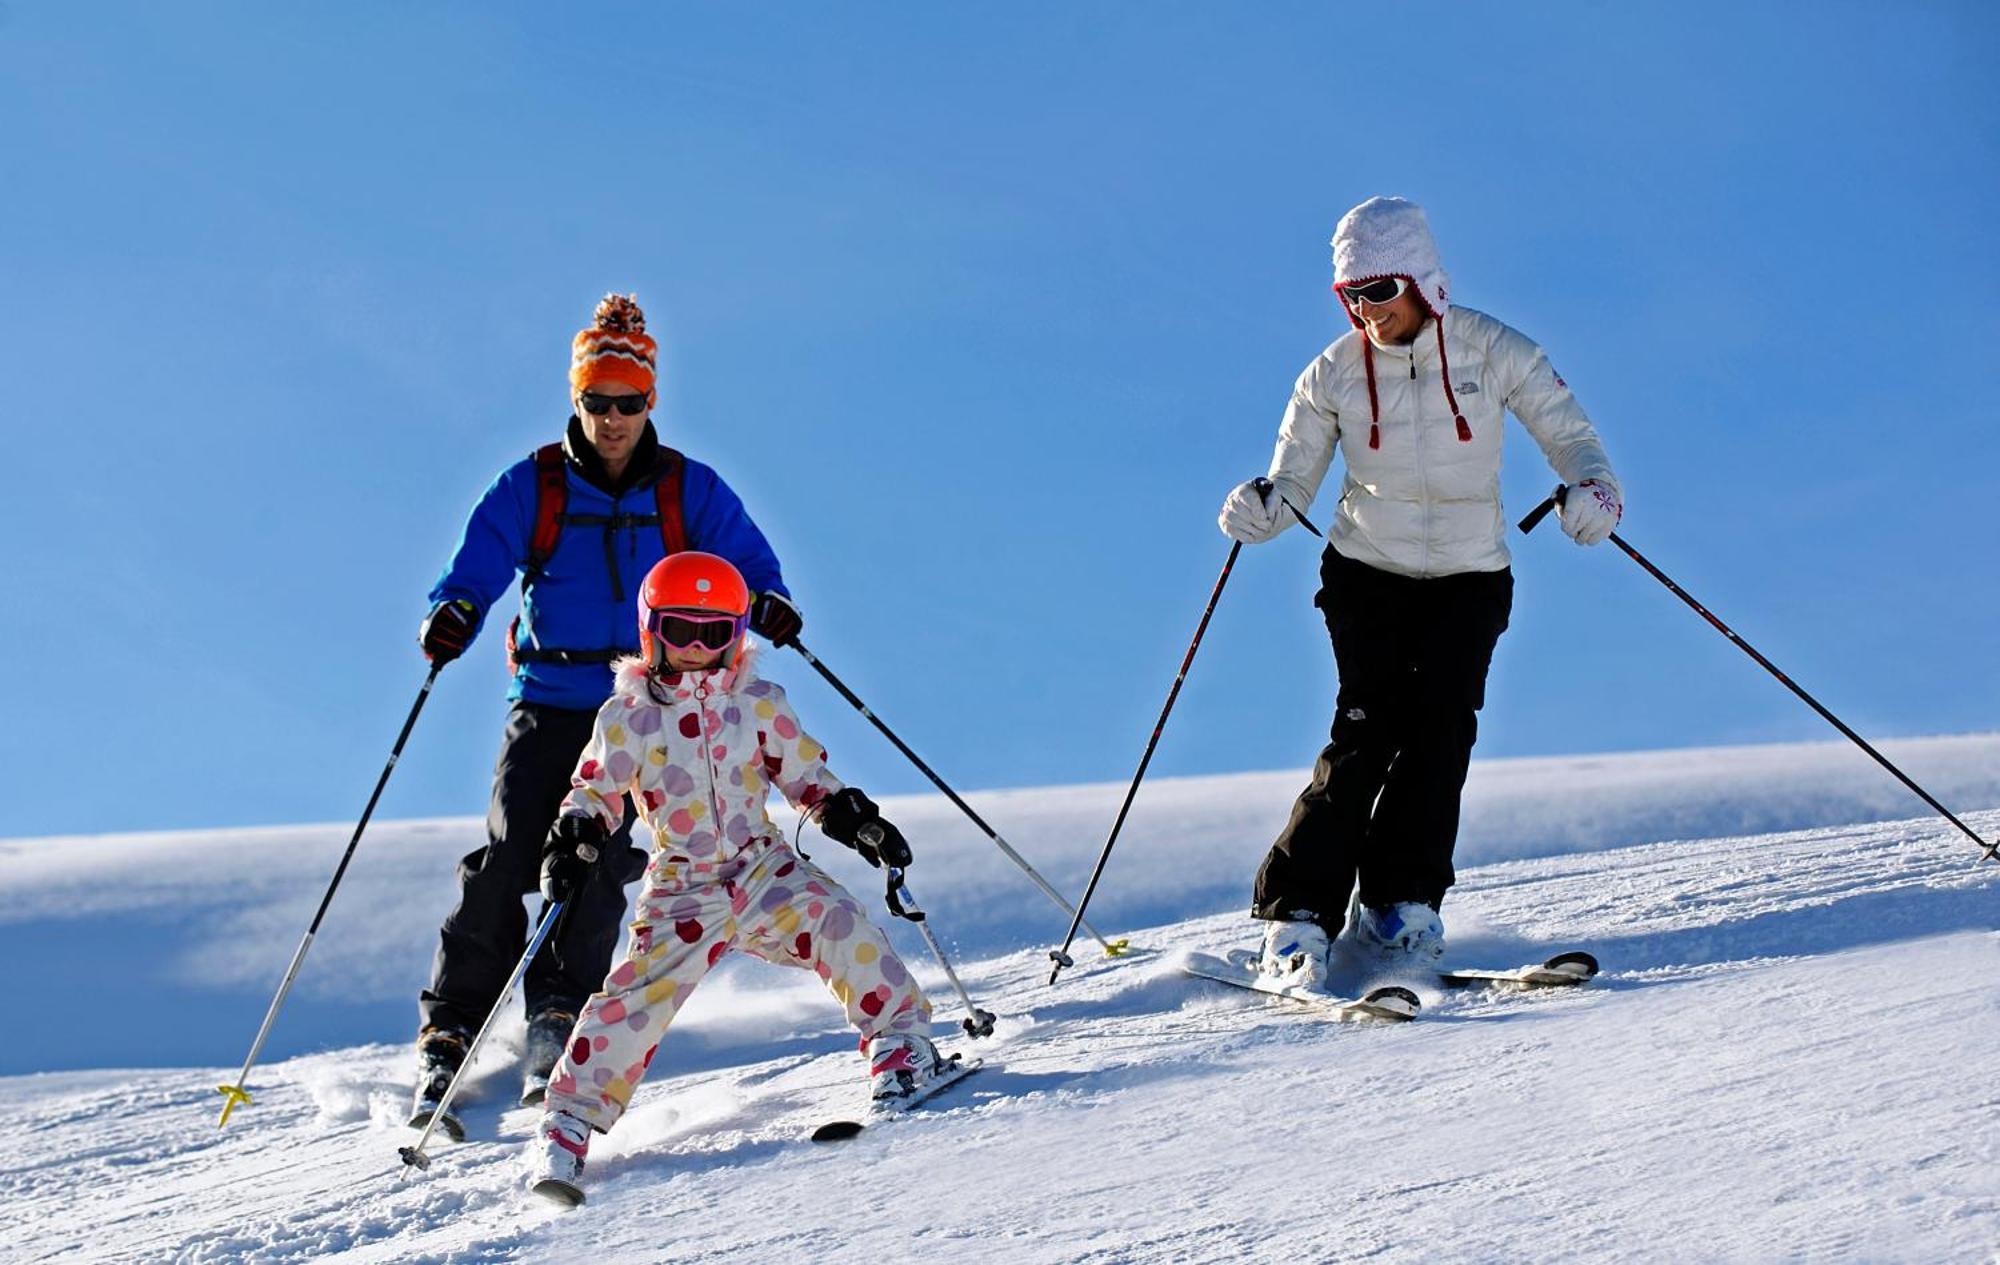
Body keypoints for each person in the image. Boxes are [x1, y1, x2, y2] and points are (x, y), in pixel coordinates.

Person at [412, 294, 808, 1123]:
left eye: (629, 402)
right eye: (598, 402)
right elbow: (480, 559)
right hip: (551, 700)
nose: (614, 418)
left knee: (593, 857)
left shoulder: (685, 489)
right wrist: (455, 609)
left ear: (650, 401)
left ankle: (560, 1012)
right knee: (513, 850)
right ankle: (452, 1024)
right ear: (578, 400)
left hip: (642, 711)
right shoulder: (536, 484)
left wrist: (766, 597)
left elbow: (744, 557)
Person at [1218, 196, 1623, 985]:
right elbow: (1292, 478)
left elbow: (1567, 431)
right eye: (1351, 297)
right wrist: (1262, 508)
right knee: (1367, 731)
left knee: (1441, 736)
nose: (1366, 311)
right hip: (1368, 570)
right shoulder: (1331, 375)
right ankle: (1297, 916)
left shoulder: (1492, 349)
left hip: (1470, 577)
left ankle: (1401, 906)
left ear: (1425, 283)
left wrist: (1594, 488)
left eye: (1380, 291)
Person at [525, 551, 945, 1205]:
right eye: (681, 629)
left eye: (714, 633)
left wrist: (848, 815)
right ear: (650, 630)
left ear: (737, 634)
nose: (696, 647)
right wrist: (576, 833)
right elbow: (596, 788)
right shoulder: (628, 715)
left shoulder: (758, 702)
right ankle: (568, 1125)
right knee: (632, 998)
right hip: (683, 884)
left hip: (761, 866)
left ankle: (901, 1048)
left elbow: (805, 774)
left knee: (839, 922)